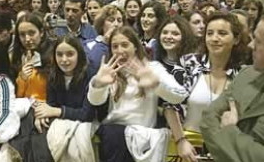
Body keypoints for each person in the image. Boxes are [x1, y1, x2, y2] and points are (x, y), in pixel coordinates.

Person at [87, 26, 188, 162]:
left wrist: (156, 84)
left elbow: (180, 96)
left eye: (124, 45)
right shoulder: (109, 71)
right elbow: (95, 102)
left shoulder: (152, 68)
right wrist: (98, 84)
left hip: (142, 135)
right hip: (113, 136)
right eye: (115, 46)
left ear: (135, 46)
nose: (119, 50)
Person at [165, 12, 248, 162]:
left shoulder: (243, 74)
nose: (214, 38)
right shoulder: (188, 63)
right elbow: (169, 105)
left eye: (222, 33)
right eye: (210, 33)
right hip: (184, 145)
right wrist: (180, 140)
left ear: (236, 39)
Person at [200, 17, 264, 162]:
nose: (251, 45)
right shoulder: (247, 74)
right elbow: (208, 119)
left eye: (259, 41)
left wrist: (229, 132)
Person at [11, 13, 54, 102]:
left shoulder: (53, 56)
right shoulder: (16, 57)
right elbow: (16, 95)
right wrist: (22, 79)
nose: (27, 39)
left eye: (31, 33)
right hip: (22, 107)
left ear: (41, 32)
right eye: (22, 35)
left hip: (46, 107)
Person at [83, 5, 125, 78]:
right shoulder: (88, 44)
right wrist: (105, 42)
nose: (116, 24)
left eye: (119, 20)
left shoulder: (127, 45)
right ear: (102, 24)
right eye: (111, 20)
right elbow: (92, 70)